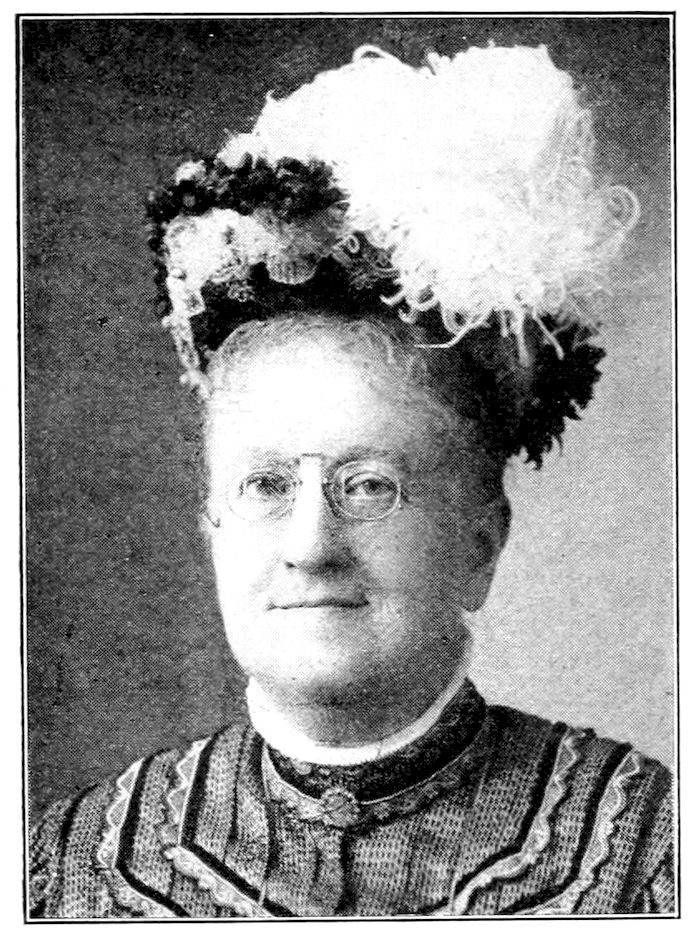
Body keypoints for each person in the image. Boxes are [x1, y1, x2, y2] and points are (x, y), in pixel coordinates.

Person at [29, 44, 673, 918]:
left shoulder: (643, 850)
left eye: (369, 486)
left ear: (479, 545)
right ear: (212, 528)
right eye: (264, 486)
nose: (310, 547)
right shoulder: (76, 863)